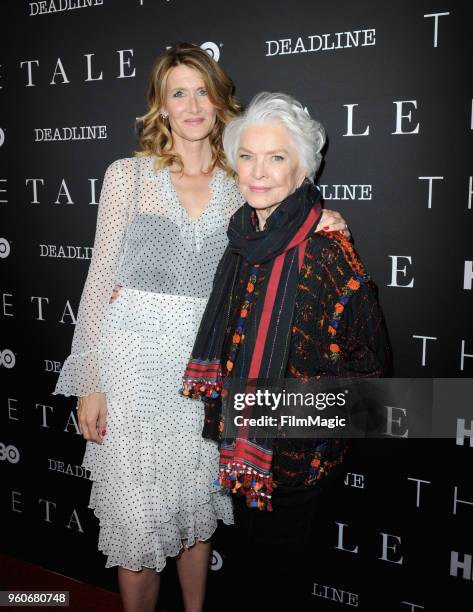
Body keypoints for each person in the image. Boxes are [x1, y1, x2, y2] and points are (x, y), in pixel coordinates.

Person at [53, 43, 349, 612]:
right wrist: (90, 378)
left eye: (202, 92)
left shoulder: (240, 180)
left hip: (205, 369)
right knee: (136, 528)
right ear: (161, 107)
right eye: (178, 93)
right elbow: (97, 282)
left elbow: (285, 213)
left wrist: (325, 217)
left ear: (219, 101)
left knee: (193, 512)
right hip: (131, 366)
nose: (192, 105)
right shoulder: (127, 177)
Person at [182, 91, 391, 604]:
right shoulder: (240, 241)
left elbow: (371, 366)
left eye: (277, 157)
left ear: (303, 171)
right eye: (248, 156)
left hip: (296, 455)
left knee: (278, 585)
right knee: (254, 578)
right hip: (240, 444)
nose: (259, 171)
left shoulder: (327, 250)